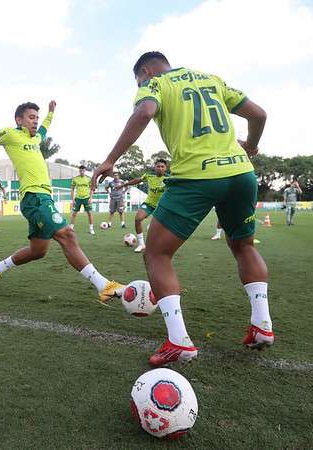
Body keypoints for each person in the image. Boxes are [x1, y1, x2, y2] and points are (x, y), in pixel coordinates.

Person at [92, 52, 272, 366]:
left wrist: (110, 160)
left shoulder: (156, 83)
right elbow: (258, 115)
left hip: (197, 176)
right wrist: (252, 146)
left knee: (157, 253)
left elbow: (145, 111)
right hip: (242, 173)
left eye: (139, 80)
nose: (141, 84)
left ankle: (179, 342)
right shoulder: (210, 78)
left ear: (145, 71)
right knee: (243, 245)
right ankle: (263, 325)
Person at [0, 101, 124, 303]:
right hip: (34, 197)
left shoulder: (37, 138)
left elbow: (45, 127)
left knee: (38, 251)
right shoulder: (9, 134)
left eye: (36, 119)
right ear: (19, 120)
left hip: (43, 197)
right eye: (31, 118)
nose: (35, 122)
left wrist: (50, 113)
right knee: (67, 234)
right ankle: (103, 286)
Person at [121, 159, 168, 252]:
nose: (160, 168)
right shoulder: (149, 176)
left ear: (165, 168)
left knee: (156, 228)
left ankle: (159, 245)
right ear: (155, 167)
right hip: (149, 204)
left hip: (162, 206)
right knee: (138, 219)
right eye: (158, 166)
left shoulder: (169, 179)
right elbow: (137, 180)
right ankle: (141, 244)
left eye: (162, 167)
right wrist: (124, 184)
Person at [70, 166, 95, 234]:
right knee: (74, 213)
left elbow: (91, 189)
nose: (82, 172)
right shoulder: (75, 179)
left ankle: (91, 229)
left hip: (86, 198)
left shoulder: (88, 179)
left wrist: (90, 198)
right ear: (79, 171)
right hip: (77, 198)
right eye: (81, 171)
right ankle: (71, 228)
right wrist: (72, 199)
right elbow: (72, 189)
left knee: (89, 213)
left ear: (85, 171)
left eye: (83, 171)